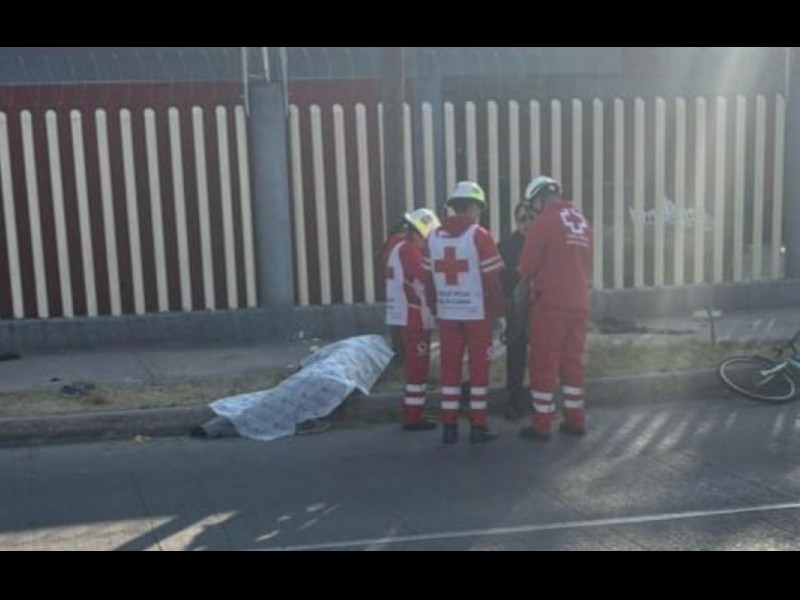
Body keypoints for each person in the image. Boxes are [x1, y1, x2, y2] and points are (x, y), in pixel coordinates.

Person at [423, 181, 506, 444]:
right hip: (477, 313)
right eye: (478, 208)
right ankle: (478, 425)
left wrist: (435, 306)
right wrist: (501, 311)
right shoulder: (480, 235)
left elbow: (427, 280)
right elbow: (492, 281)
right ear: (472, 207)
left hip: (448, 313)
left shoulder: (432, 237)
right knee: (479, 370)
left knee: (450, 368)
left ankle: (449, 426)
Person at [517, 175, 592, 441]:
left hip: (550, 303)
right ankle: (575, 419)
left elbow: (528, 264)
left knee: (544, 362)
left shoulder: (545, 221)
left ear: (539, 199)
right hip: (579, 302)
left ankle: (542, 424)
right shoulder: (581, 221)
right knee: (573, 362)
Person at [385, 207, 442, 431]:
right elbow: (425, 276)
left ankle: (414, 412)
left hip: (406, 314)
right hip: (414, 316)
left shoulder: (397, 245)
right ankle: (413, 416)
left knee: (414, 368)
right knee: (417, 369)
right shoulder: (409, 250)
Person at [498, 202, 536, 420]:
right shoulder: (506, 245)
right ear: (516, 221)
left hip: (541, 305)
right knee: (516, 356)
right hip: (516, 307)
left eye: (531, 218)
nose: (527, 223)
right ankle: (514, 401)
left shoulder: (544, 241)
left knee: (542, 356)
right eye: (522, 219)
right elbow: (500, 278)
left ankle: (541, 400)